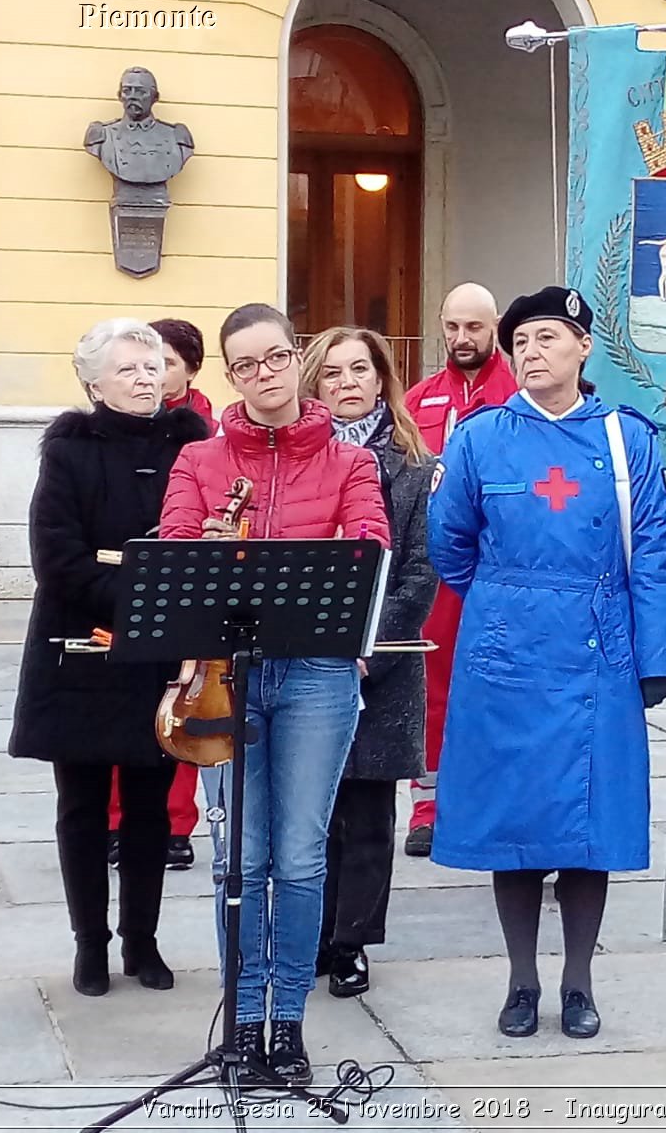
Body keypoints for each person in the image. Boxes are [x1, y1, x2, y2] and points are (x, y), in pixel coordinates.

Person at [428, 285, 666, 1041]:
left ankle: (578, 982)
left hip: (596, 648)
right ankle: (520, 980)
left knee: (587, 825)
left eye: (547, 338)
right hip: (506, 652)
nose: (531, 353)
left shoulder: (624, 438)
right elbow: (450, 544)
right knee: (515, 822)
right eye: (522, 342)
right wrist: (508, 603)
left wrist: (656, 657)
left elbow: (656, 553)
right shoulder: (479, 439)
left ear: (583, 348)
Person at [160, 303, 388, 1085]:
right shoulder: (201, 460)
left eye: (275, 358)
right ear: (230, 375)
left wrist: (275, 558)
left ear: (297, 357)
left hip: (318, 673)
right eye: (245, 365)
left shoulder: (350, 461)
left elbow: (368, 547)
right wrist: (209, 553)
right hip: (226, 675)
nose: (263, 375)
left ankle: (285, 1023)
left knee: (296, 855)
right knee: (240, 860)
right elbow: (176, 549)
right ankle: (241, 1019)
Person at [9, 318, 210, 997]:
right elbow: (56, 559)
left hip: (161, 649)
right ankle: (89, 945)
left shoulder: (192, 443)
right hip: (81, 647)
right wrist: (144, 594)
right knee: (83, 805)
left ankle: (143, 943)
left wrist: (157, 602)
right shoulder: (69, 450)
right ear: (93, 382)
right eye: (128, 369)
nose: (146, 378)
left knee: (151, 804)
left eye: (153, 366)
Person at [302, 326, 438, 998]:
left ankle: (353, 939)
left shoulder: (413, 464)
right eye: (332, 373)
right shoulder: (297, 460)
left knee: (367, 811)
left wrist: (364, 647)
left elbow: (419, 572)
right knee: (311, 810)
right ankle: (312, 933)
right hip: (303, 659)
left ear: (383, 378)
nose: (348, 382)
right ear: (313, 385)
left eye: (361, 369)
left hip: (378, 661)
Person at [401, 282, 518, 857]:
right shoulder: (418, 401)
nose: (462, 338)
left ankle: (492, 804)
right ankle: (429, 806)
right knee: (432, 687)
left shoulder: (519, 395)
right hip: (434, 572)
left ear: (494, 326)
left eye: (474, 327)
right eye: (452, 326)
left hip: (498, 569)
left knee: (500, 687)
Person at [106, 317, 215, 873]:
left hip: (185, 582)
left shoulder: (204, 433)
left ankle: (175, 822)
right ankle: (116, 819)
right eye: (143, 363)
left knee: (184, 703)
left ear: (191, 370)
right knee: (121, 707)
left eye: (164, 363)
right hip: (128, 579)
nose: (153, 374)